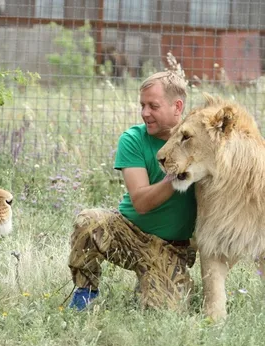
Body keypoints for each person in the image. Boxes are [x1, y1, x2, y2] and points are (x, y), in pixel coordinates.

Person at [68, 71, 197, 311]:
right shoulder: (133, 139)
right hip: (128, 233)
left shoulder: (198, 143)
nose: (145, 113)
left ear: (177, 106)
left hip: (170, 247)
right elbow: (141, 202)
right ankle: (85, 293)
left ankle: (158, 283)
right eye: (142, 105)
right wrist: (177, 173)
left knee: (164, 313)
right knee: (89, 221)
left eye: (153, 106)